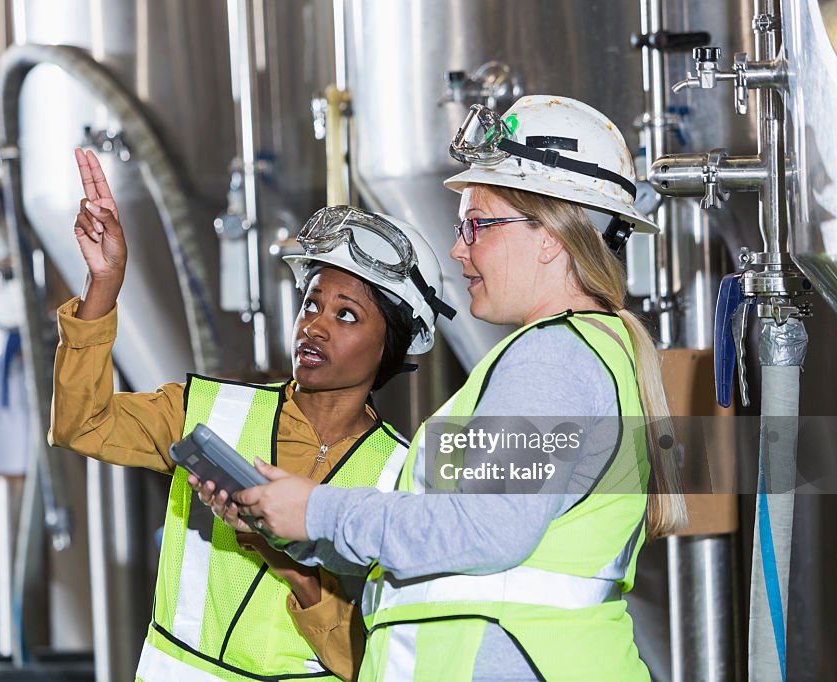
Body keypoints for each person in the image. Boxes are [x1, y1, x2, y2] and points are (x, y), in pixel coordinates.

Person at [202, 96, 687, 681]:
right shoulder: (571, 355)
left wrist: (318, 509)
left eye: (477, 224)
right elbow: (446, 546)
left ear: (551, 238)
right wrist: (291, 523)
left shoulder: (554, 358)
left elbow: (486, 532)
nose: (459, 248)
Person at [49, 149, 455, 681]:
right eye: (311, 304)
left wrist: (282, 554)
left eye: (346, 315)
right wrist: (104, 284)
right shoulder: (209, 410)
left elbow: (378, 665)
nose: (314, 326)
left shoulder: (403, 479)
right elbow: (83, 423)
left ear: (392, 346)